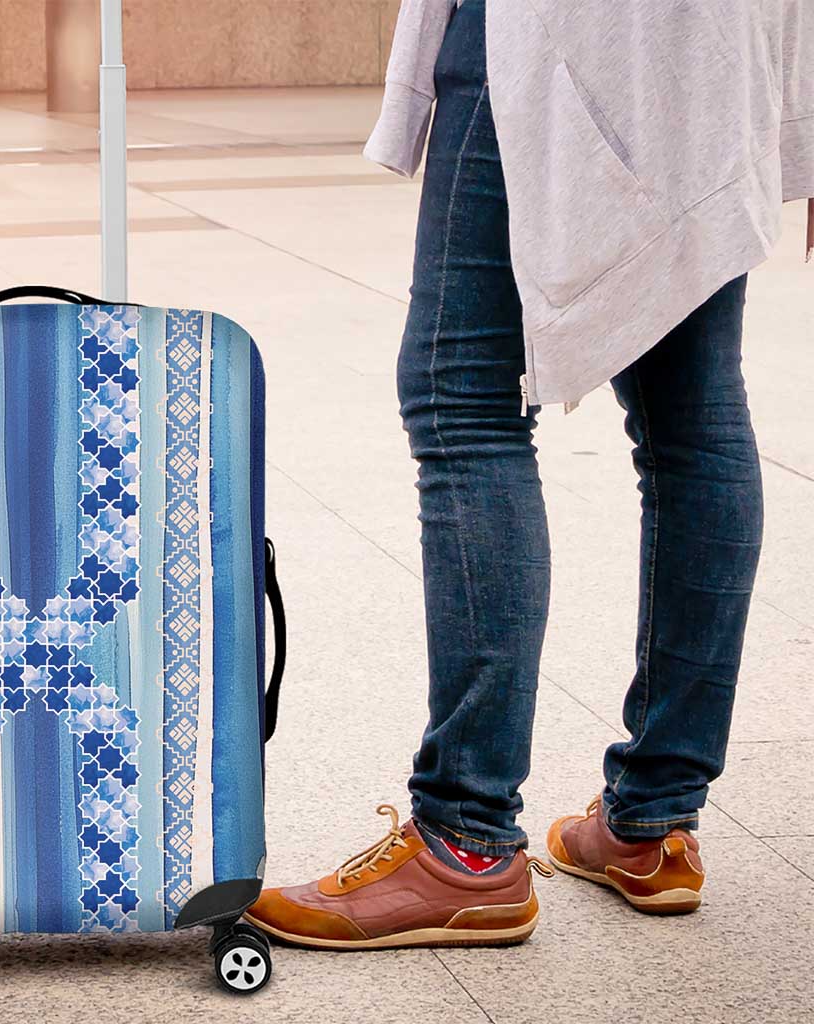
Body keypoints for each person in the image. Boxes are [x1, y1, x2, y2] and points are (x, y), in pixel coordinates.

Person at [244, 0, 813, 949]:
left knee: (460, 397)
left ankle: (464, 846)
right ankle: (655, 821)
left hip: (571, 26)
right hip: (728, 39)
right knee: (692, 414)